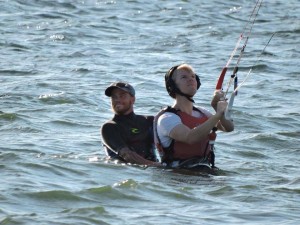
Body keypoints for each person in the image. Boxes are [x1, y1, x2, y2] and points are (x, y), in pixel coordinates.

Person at [154, 64, 234, 169]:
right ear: (172, 85)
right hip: (179, 174)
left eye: (193, 77)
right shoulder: (167, 118)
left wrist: (216, 107)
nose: (191, 80)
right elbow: (190, 138)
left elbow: (228, 128)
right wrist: (218, 114)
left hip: (205, 171)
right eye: (184, 77)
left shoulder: (203, 113)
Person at [101, 82, 159, 166]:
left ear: (133, 99)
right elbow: (126, 155)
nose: (117, 100)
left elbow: (167, 143)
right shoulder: (109, 127)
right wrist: (157, 166)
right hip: (125, 173)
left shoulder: (149, 121)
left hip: (151, 173)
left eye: (122, 96)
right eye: (114, 97)